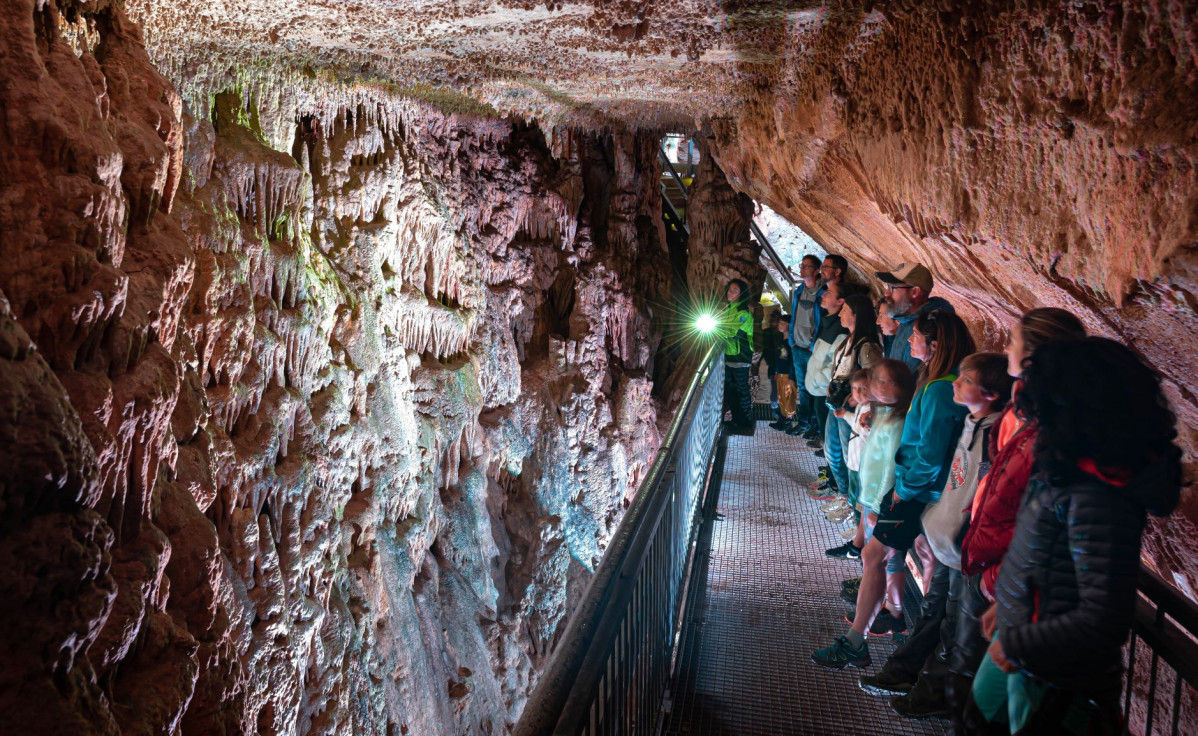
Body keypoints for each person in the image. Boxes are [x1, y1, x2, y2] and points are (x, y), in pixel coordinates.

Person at [967, 338, 1181, 735]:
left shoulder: (1100, 494)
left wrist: (1019, 642)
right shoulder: (1068, 463)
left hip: (1054, 675)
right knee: (979, 721)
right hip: (1028, 647)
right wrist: (1011, 603)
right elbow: (1044, 552)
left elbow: (1102, 619)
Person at [812, 309, 976, 670]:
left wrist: (902, 492)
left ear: (933, 345)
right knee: (901, 556)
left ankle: (862, 640)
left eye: (916, 336)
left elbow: (929, 454)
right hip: (923, 491)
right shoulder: (934, 381)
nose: (910, 340)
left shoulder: (936, 391)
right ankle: (890, 631)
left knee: (876, 556)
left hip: (916, 492)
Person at [949, 308, 1086, 730]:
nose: (1006, 347)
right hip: (1010, 588)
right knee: (981, 708)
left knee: (1009, 711)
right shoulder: (1027, 416)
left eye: (1014, 340)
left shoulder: (1058, 436)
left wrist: (1012, 597)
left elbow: (1041, 525)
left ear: (1033, 357)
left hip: (1032, 607)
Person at [879, 353, 1013, 719]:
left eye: (965, 380)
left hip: (966, 552)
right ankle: (917, 682)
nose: (954, 383)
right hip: (948, 542)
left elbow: (978, 497)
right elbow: (955, 485)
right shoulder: (971, 423)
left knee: (959, 633)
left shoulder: (995, 436)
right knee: (939, 618)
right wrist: (932, 522)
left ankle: (938, 698)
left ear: (988, 392)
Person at [829, 360, 916, 630]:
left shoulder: (899, 422)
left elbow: (890, 468)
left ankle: (895, 609)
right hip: (871, 499)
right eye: (875, 380)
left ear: (900, 388)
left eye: (882, 381)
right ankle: (881, 605)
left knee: (890, 560)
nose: (875, 387)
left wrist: (878, 505)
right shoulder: (883, 415)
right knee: (876, 558)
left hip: (881, 502)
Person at [816, 293, 884, 501]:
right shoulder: (848, 340)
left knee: (849, 455)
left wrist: (857, 399)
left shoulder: (867, 346)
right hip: (836, 404)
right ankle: (844, 494)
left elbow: (873, 379)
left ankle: (852, 501)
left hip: (851, 409)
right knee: (832, 451)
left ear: (857, 315)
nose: (840, 315)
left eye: (845, 311)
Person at [876, 262, 955, 373]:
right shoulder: (906, 320)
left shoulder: (931, 329)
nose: (887, 294)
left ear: (914, 291)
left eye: (892, 288)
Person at [802, 281, 849, 453]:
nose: (823, 294)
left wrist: (817, 380)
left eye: (829, 292)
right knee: (824, 428)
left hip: (825, 389)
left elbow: (835, 365)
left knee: (831, 436)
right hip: (820, 389)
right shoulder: (827, 321)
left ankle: (831, 476)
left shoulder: (840, 328)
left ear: (840, 301)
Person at [789, 255, 826, 432]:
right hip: (798, 346)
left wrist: (814, 343)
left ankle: (815, 425)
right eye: (802, 265)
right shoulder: (798, 291)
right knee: (803, 387)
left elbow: (822, 321)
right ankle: (804, 423)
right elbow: (794, 317)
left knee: (814, 386)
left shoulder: (822, 293)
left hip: (812, 348)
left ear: (817, 270)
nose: (802, 269)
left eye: (806, 266)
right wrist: (792, 340)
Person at [719, 278, 755, 434]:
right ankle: (736, 419)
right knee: (729, 390)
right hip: (728, 356)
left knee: (741, 390)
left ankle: (745, 421)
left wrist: (715, 329)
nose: (730, 292)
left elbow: (732, 333)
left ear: (742, 294)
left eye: (734, 290)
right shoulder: (728, 309)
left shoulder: (743, 313)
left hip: (740, 356)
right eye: (729, 289)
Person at [769, 315, 798, 431]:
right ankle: (782, 420)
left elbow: (792, 360)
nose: (779, 325)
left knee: (789, 397)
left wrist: (792, 375)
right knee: (781, 397)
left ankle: (788, 421)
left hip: (787, 374)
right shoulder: (781, 340)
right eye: (779, 322)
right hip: (781, 373)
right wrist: (776, 371)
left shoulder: (791, 342)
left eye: (782, 323)